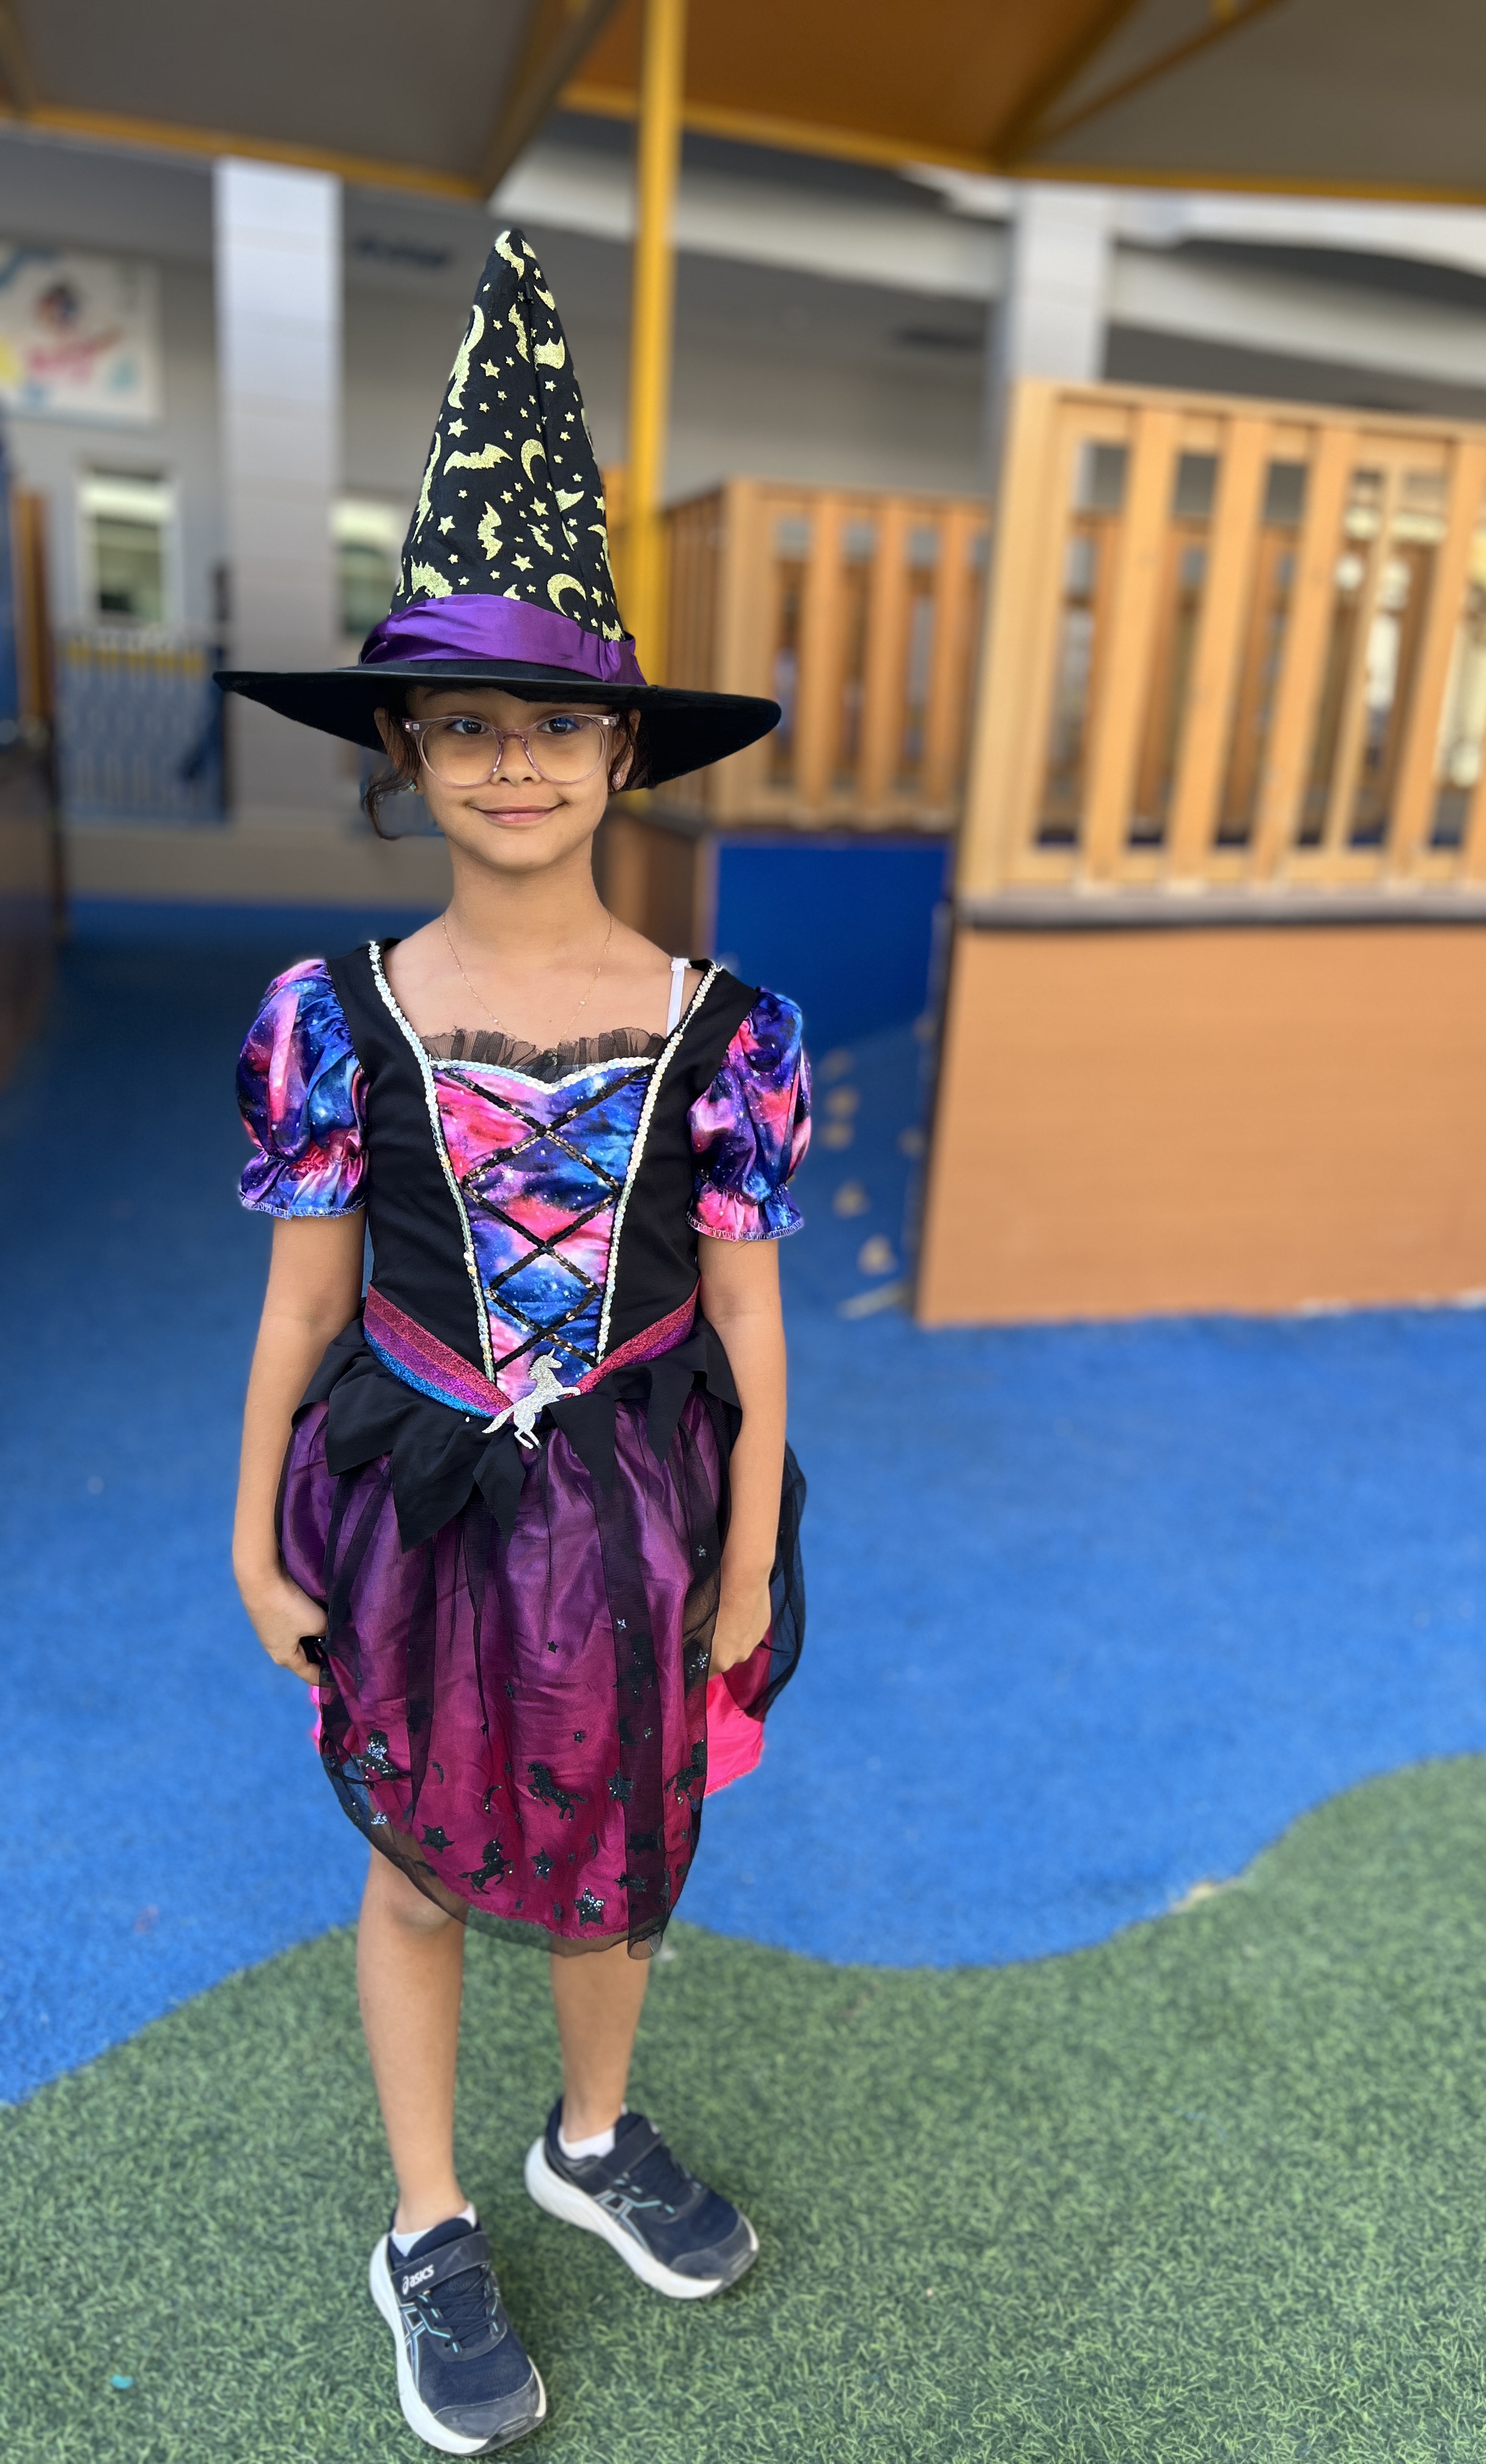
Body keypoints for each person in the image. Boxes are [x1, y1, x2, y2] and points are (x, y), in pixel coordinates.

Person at [223, 229, 808, 2457]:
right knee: (415, 1858)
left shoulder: (725, 1029)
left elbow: (745, 1319)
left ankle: (589, 2133)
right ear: (408, 748)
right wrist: (250, 1537)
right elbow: (302, 1301)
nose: (514, 761)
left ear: (621, 747)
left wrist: (747, 1558)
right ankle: (430, 2219)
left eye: (555, 721)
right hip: (411, 1499)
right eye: (467, 723)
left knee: (617, 1835)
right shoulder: (331, 1018)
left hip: (642, 1504)